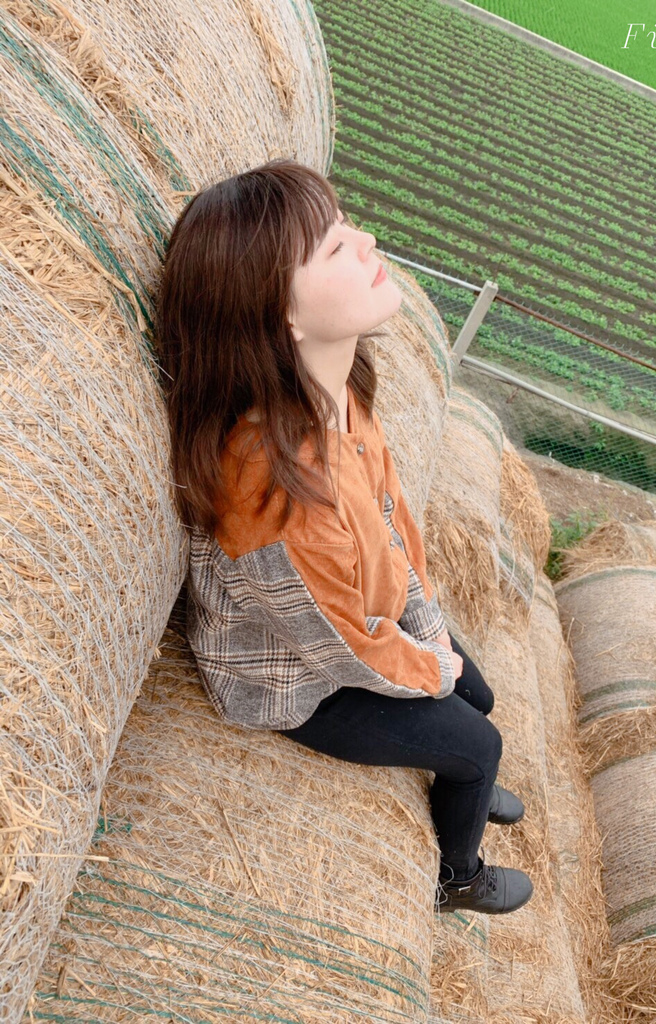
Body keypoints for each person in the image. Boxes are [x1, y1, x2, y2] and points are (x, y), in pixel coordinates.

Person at [155, 158, 534, 916]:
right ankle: (457, 875)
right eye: (333, 246)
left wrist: (433, 643)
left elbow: (395, 527)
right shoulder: (271, 486)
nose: (364, 239)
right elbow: (340, 647)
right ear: (281, 316)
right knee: (478, 745)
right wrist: (430, 669)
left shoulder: (342, 392)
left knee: (477, 693)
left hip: (356, 623)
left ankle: (464, 773)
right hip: (297, 680)